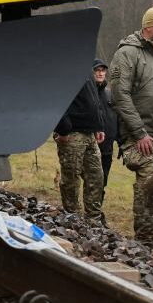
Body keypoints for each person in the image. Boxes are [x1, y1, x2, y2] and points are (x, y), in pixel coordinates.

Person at [109, 7, 153, 246]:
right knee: (150, 184)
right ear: (148, 27)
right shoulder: (127, 53)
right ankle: (144, 242)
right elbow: (120, 95)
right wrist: (139, 133)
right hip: (140, 135)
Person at [53, 70, 107, 225]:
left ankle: (93, 220)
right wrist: (63, 129)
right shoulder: (65, 66)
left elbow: (94, 99)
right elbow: (56, 98)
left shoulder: (85, 65)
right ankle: (72, 219)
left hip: (90, 133)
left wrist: (99, 125)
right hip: (72, 133)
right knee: (71, 178)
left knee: (96, 176)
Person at [94, 59, 119, 189]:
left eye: (103, 70)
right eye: (97, 70)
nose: (100, 73)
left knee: (103, 181)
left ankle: (97, 208)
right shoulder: (85, 93)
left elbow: (117, 118)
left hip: (107, 148)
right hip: (88, 146)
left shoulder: (110, 94)